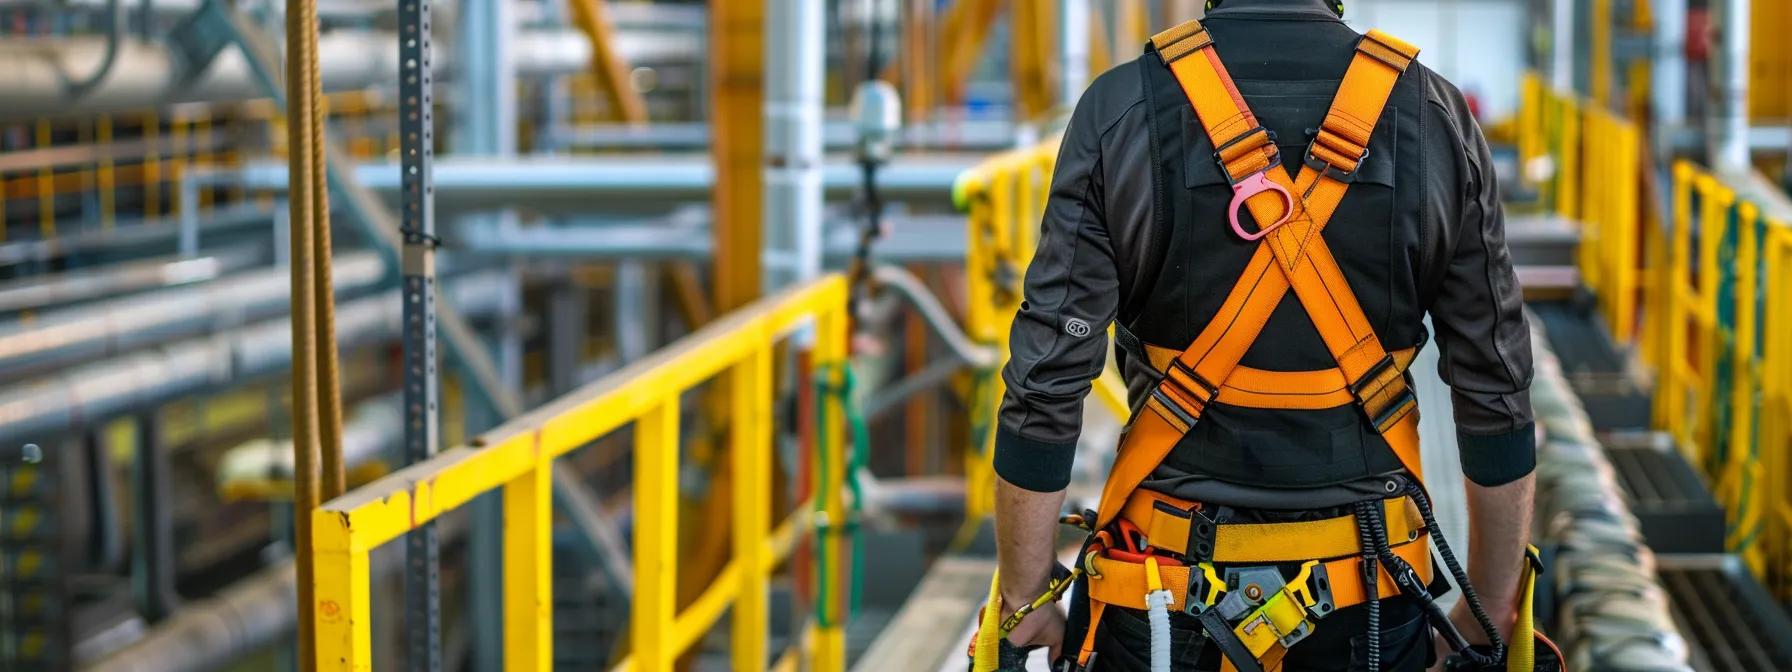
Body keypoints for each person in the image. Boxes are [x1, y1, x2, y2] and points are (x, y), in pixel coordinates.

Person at [985, 1, 1538, 670]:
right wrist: (1491, 605)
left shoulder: (1121, 108)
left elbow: (1046, 382)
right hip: (1370, 601)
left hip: (1162, 601)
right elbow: (1497, 386)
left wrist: (1025, 596)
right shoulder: (1434, 114)